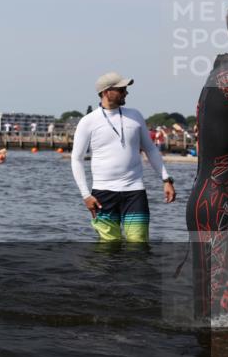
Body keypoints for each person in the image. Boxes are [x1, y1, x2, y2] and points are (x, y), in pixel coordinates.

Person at [70, 72, 175, 242]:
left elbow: (150, 149)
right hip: (103, 194)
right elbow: (76, 159)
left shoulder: (135, 115)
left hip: (134, 192)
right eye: (121, 89)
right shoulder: (88, 121)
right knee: (108, 248)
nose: (126, 92)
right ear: (106, 92)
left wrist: (166, 179)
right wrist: (85, 195)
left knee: (139, 245)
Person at [186, 8, 228, 318]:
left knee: (209, 315)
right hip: (223, 204)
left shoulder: (218, 73)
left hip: (207, 200)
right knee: (220, 317)